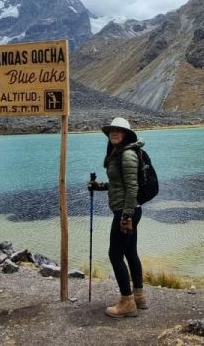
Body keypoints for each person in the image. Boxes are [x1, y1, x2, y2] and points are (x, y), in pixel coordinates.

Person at [88, 116, 146, 318]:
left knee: (115, 255)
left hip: (126, 212)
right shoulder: (119, 153)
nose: (114, 132)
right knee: (130, 252)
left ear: (126, 134)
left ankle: (127, 303)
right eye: (112, 130)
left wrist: (126, 216)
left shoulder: (127, 155)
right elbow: (119, 185)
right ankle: (139, 297)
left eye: (118, 130)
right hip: (129, 210)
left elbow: (132, 187)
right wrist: (100, 186)